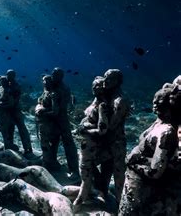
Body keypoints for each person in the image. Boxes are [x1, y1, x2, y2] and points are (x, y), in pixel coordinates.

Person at [119, 85, 180, 215]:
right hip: (135, 187)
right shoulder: (159, 122)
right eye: (154, 99)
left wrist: (134, 161)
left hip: (142, 191)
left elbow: (156, 171)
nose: (155, 103)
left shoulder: (166, 132)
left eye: (160, 101)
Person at [73, 76, 109, 207]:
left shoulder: (102, 105)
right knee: (87, 169)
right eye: (94, 86)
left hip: (91, 144)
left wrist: (85, 130)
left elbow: (102, 130)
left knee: (84, 169)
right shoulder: (96, 101)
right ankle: (93, 192)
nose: (95, 88)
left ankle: (81, 198)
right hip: (86, 142)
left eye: (98, 86)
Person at [99, 69, 130, 206]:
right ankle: (103, 197)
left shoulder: (120, 100)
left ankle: (120, 204)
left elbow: (112, 126)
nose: (105, 81)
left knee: (118, 175)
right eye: (105, 77)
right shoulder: (108, 97)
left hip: (116, 142)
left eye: (109, 79)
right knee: (105, 170)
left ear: (118, 82)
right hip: (108, 141)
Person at [50, 67, 79, 179]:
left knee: (68, 144)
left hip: (62, 119)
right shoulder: (52, 85)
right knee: (53, 142)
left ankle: (74, 170)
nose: (53, 75)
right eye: (53, 73)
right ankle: (52, 163)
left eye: (56, 74)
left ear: (61, 76)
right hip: (53, 119)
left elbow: (61, 107)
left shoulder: (64, 88)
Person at [0, 70, 35, 159]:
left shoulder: (15, 86)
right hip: (8, 111)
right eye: (7, 74)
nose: (8, 76)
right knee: (10, 129)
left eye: (10, 75)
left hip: (16, 111)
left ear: (14, 76)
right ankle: (10, 147)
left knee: (22, 130)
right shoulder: (5, 85)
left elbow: (13, 101)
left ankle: (28, 149)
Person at [35, 75, 61, 170]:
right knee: (45, 143)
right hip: (43, 122)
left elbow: (55, 111)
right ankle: (49, 161)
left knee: (46, 143)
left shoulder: (53, 94)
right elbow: (41, 102)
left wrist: (43, 111)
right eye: (43, 81)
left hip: (49, 124)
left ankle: (47, 164)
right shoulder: (45, 92)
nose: (44, 83)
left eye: (46, 81)